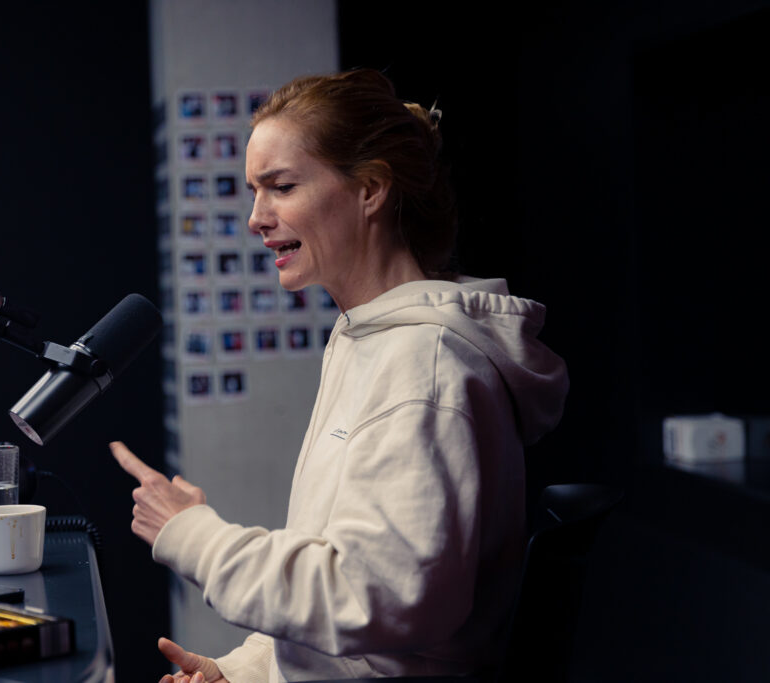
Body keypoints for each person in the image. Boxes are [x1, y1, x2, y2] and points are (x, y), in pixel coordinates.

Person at [111, 68, 569, 682]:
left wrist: (193, 535)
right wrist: (245, 671)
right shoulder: (367, 339)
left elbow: (379, 594)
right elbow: (345, 589)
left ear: (370, 189)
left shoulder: (426, 365)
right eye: (254, 191)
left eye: (281, 187)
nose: (255, 218)